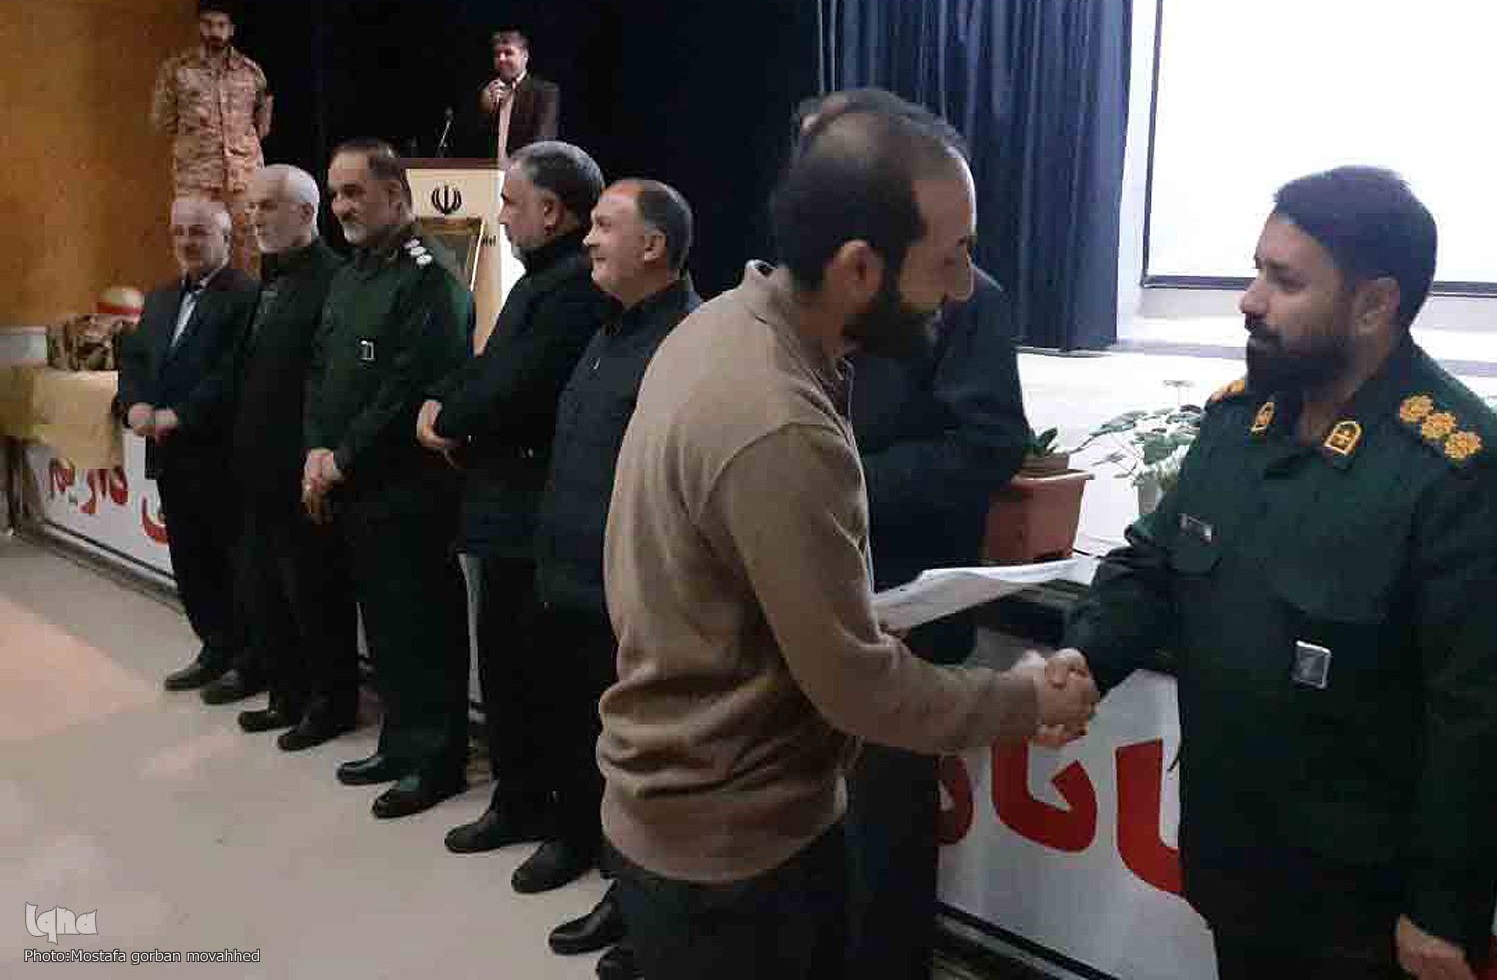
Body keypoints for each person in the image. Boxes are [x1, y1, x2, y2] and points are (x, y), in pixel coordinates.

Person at [597, 106, 1098, 980]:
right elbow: (859, 690)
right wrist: (1025, 700)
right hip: (738, 855)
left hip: (696, 813)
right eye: (949, 258)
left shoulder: (722, 325)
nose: (963, 288)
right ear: (860, 268)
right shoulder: (780, 422)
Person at [1062, 167, 1497, 980]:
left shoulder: (1461, 477)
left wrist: (1442, 908)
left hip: (1362, 917)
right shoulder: (1241, 424)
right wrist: (1086, 657)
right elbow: (1155, 565)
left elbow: (1491, 722)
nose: (1250, 300)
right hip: (1240, 872)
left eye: (1284, 281)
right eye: (1256, 271)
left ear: (1374, 304)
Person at [796, 89, 1033, 980]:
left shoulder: (967, 300)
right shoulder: (791, 303)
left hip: (903, 604)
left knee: (882, 844)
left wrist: (835, 484)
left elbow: (987, 443)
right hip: (803, 599)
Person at [416, 141, 612, 877]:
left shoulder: (573, 291)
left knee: (552, 684)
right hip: (505, 513)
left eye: (509, 203)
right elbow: (490, 367)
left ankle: (570, 826)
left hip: (541, 522)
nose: (499, 217)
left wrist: (447, 417)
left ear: (551, 211)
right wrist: (442, 399)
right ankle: (519, 799)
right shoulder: (541, 283)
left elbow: (518, 387)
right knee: (505, 673)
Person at [542, 179, 700, 980]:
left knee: (647, 772)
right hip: (576, 581)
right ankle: (608, 874)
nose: (587, 239)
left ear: (653, 246)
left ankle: (648, 915)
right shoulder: (610, 327)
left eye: (605, 225)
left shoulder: (689, 344)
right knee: (589, 743)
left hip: (639, 597)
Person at [305, 139, 473, 820]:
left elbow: (405, 392)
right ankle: (400, 743)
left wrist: (341, 459)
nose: (340, 206)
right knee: (384, 626)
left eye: (354, 192)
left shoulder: (430, 278)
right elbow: (321, 369)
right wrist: (317, 449)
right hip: (354, 486)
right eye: (335, 194)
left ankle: (437, 761)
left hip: (408, 490)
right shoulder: (350, 274)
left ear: (396, 196)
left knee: (421, 626)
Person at [228, 165, 359, 750]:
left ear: (306, 213)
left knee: (314, 595)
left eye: (266, 206)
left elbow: (328, 382)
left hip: (302, 468)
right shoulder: (270, 277)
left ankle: (329, 704)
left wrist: (315, 459)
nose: (253, 217)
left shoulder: (335, 279)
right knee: (268, 591)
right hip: (258, 468)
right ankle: (287, 693)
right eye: (252, 206)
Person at [116, 197, 257, 694]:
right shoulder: (159, 299)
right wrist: (133, 404)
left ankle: (249, 660)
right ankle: (214, 647)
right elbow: (135, 360)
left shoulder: (247, 296)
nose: (186, 242)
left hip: (222, 455)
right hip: (171, 457)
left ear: (226, 238)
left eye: (198, 232)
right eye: (178, 232)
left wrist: (181, 415)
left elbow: (235, 370)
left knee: (234, 563)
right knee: (191, 562)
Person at [150, 0, 272, 272]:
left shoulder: (251, 72)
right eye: (208, 24)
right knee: (196, 248)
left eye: (221, 25)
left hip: (243, 178)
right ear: (198, 26)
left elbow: (262, 123)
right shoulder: (177, 71)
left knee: (248, 251)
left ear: (232, 29)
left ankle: (246, 301)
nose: (215, 32)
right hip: (196, 178)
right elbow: (163, 121)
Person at [479, 30, 560, 162]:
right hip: (490, 171)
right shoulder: (489, 91)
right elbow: (472, 140)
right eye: (497, 54)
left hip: (527, 170)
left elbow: (542, 144)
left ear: (525, 56)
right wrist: (486, 110)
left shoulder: (545, 92)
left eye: (508, 53)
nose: (501, 59)